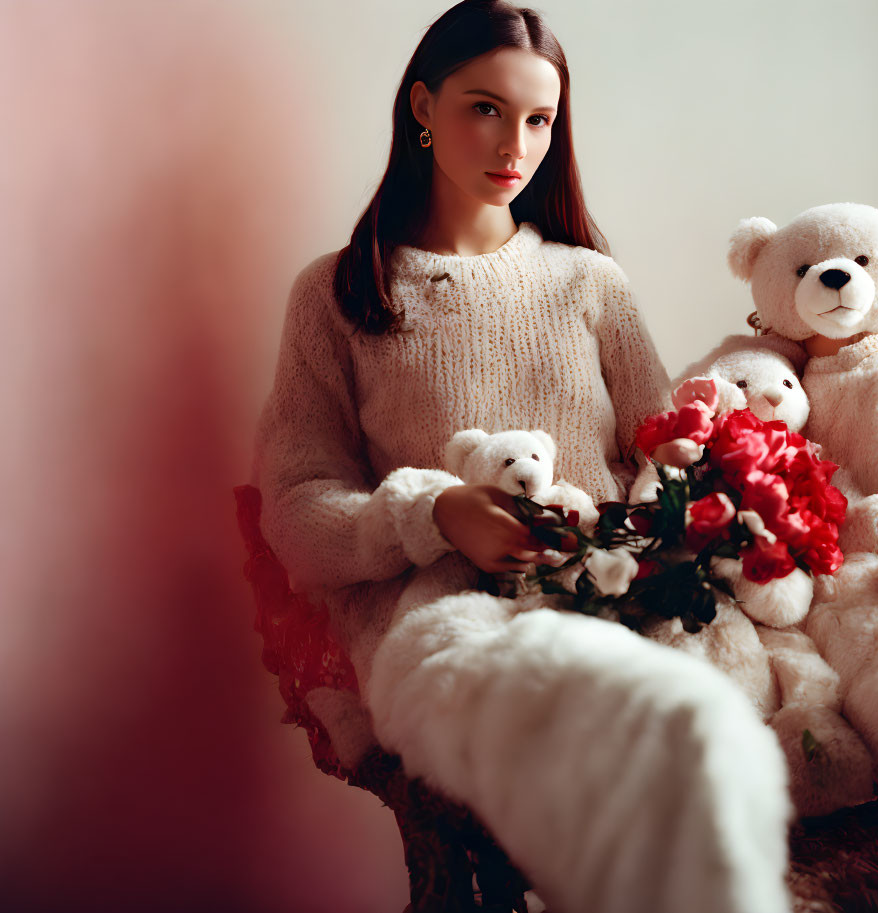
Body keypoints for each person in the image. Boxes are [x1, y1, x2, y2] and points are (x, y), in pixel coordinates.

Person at [253, 3, 793, 911]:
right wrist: (435, 516)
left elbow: (667, 450)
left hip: (616, 598)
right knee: (615, 734)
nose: (517, 143)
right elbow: (297, 513)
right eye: (485, 108)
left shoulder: (590, 282)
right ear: (422, 107)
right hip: (447, 624)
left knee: (696, 743)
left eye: (540, 119)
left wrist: (689, 505)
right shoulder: (340, 295)